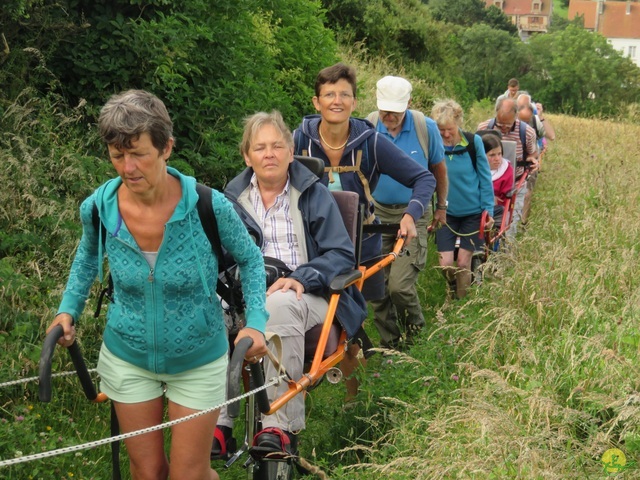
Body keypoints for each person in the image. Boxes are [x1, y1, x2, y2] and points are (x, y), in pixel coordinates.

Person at [46, 90, 268, 480]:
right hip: (127, 353)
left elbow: (250, 260)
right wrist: (68, 310)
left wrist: (257, 322)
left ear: (167, 147)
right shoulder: (100, 207)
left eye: (139, 154)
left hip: (198, 356)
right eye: (117, 155)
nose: (128, 167)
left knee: (189, 474)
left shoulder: (207, 206)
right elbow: (86, 260)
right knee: (147, 473)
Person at [213, 110, 367, 457]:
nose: (269, 154)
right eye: (260, 147)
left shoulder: (314, 193)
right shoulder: (231, 201)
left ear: (291, 149)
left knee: (278, 304)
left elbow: (341, 254)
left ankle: (279, 428)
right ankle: (218, 425)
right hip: (247, 292)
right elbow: (220, 259)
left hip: (309, 293)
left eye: (277, 146)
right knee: (209, 311)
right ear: (246, 155)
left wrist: (301, 277)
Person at [365, 75, 447, 349]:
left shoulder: (426, 127)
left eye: (395, 111)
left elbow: (438, 170)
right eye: (385, 110)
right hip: (376, 216)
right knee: (378, 289)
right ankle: (390, 345)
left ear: (408, 104)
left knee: (399, 286)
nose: (389, 116)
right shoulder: (369, 126)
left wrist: (441, 206)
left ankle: (416, 336)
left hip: (413, 215)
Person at [432, 99, 494, 299]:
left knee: (463, 263)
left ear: (458, 123)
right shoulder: (434, 145)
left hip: (473, 214)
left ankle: (461, 305)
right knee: (446, 264)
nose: (446, 134)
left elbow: (485, 179)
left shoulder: (473, 143)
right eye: (441, 130)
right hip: (446, 214)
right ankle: (453, 286)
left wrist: (488, 212)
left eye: (449, 129)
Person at [477, 97, 538, 240]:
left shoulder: (527, 132)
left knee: (510, 224)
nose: (503, 129)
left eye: (507, 125)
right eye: (500, 124)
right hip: (486, 183)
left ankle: (505, 254)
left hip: (515, 184)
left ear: (516, 117)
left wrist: (532, 159)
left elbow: (533, 153)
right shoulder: (484, 128)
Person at [481, 132, 514, 230]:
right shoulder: (473, 168)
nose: (497, 159)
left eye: (499, 154)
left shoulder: (507, 170)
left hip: (496, 209)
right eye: (492, 155)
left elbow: (503, 198)